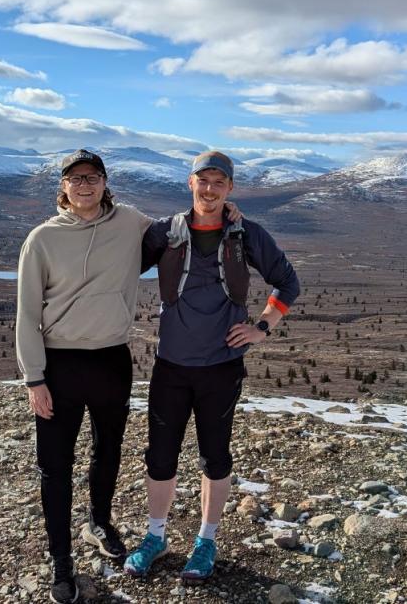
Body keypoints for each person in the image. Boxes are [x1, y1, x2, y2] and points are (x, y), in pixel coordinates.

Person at [16, 148, 242, 603]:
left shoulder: (130, 221)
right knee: (55, 468)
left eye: (93, 176)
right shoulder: (41, 239)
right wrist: (34, 378)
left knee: (108, 452)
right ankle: (62, 561)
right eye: (75, 177)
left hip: (111, 360)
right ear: (62, 186)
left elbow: (184, 224)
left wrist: (226, 209)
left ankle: (100, 521)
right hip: (59, 364)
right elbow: (25, 314)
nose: (84, 185)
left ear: (104, 182)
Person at [124, 150, 300, 582]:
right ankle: (156, 536)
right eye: (203, 181)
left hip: (221, 367)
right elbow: (120, 268)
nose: (210, 189)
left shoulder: (247, 234)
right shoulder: (165, 232)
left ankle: (206, 540)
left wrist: (262, 327)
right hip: (171, 366)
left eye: (219, 182)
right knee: (160, 458)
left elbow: (288, 281)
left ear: (230, 188)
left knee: (215, 457)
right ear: (190, 183)